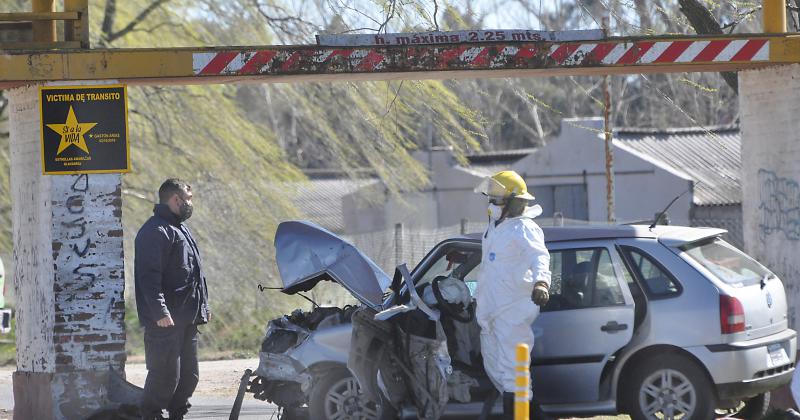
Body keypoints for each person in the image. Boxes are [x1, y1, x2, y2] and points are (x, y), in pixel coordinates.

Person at [473, 170, 551, 419]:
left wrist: (542, 282)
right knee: (498, 371)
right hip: (492, 313)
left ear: (514, 202)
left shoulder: (524, 228)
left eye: (497, 198)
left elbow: (539, 256)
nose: (492, 203)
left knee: (514, 374)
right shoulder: (496, 227)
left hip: (512, 311)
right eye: (492, 198)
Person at [135, 179, 210, 420]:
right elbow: (148, 277)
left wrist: (203, 308)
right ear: (175, 199)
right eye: (188, 199)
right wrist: (159, 312)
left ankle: (177, 415)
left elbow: (193, 275)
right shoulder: (155, 231)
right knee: (165, 377)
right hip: (165, 323)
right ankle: (150, 415)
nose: (191, 204)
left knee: (189, 377)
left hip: (187, 319)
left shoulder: (180, 229)